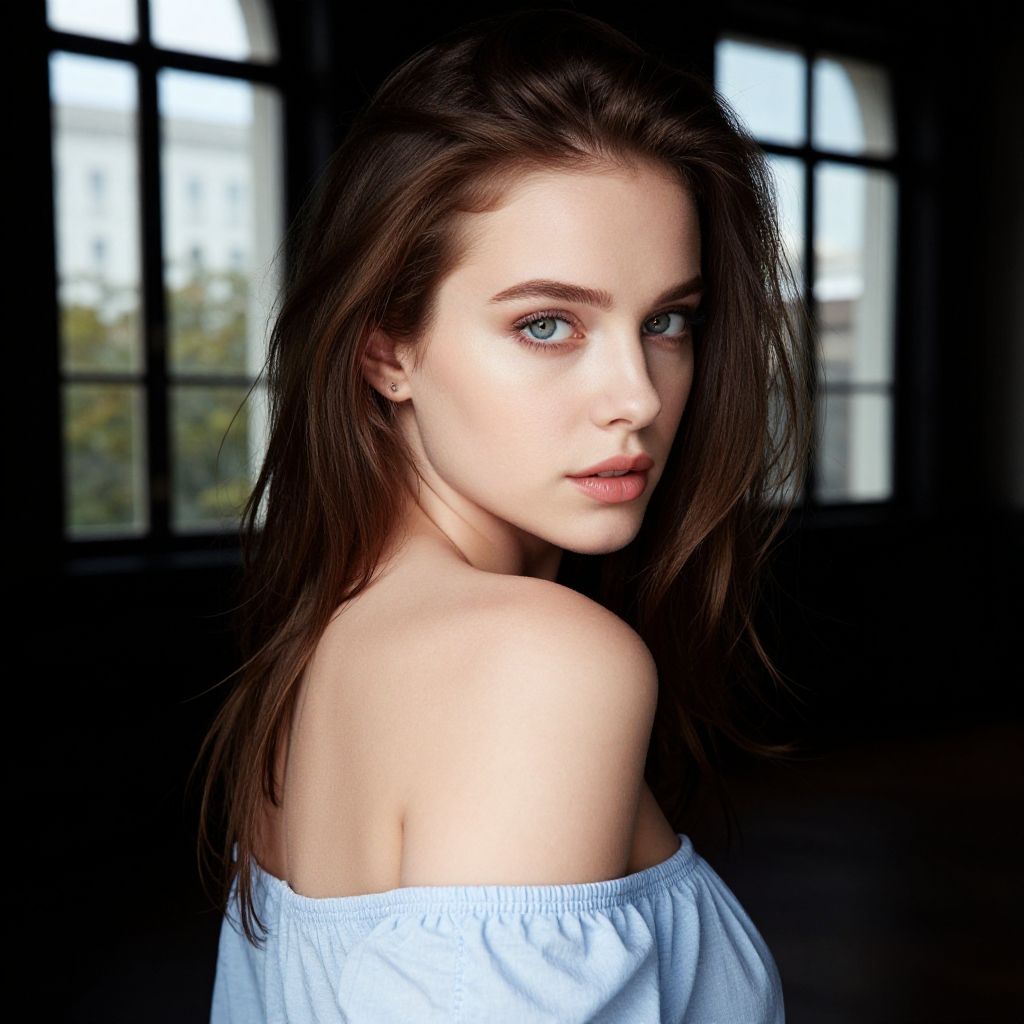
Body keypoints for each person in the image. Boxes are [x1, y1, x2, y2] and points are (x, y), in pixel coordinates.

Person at [195, 8, 816, 1022]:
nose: (638, 396)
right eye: (545, 324)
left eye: (667, 320)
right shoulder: (539, 661)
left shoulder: (324, 649)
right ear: (386, 349)